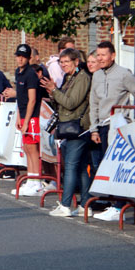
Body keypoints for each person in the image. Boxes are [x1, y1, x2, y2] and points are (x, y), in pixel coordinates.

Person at [89, 40, 135, 221]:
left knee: (117, 165)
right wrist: (93, 128)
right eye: (98, 55)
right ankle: (112, 202)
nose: (100, 58)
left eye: (103, 55)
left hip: (118, 125)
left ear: (112, 56)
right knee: (105, 166)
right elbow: (93, 102)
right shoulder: (97, 75)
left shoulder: (124, 74)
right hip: (101, 126)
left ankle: (119, 205)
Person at [41, 48, 92, 217]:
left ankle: (65, 205)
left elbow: (71, 103)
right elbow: (61, 103)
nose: (63, 65)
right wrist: (54, 92)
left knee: (70, 166)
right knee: (82, 167)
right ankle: (85, 205)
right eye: (61, 62)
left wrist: (55, 91)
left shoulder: (82, 78)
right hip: (69, 126)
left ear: (76, 62)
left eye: (66, 62)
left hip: (78, 128)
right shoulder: (69, 77)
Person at [2, 44, 43, 196]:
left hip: (32, 116)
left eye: (24, 57)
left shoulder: (31, 74)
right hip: (23, 113)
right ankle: (31, 180)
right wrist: (19, 117)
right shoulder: (18, 73)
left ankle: (37, 182)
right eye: (18, 56)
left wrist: (27, 121)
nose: (20, 59)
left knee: (33, 149)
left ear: (29, 58)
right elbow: (20, 97)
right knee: (26, 148)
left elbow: (32, 99)